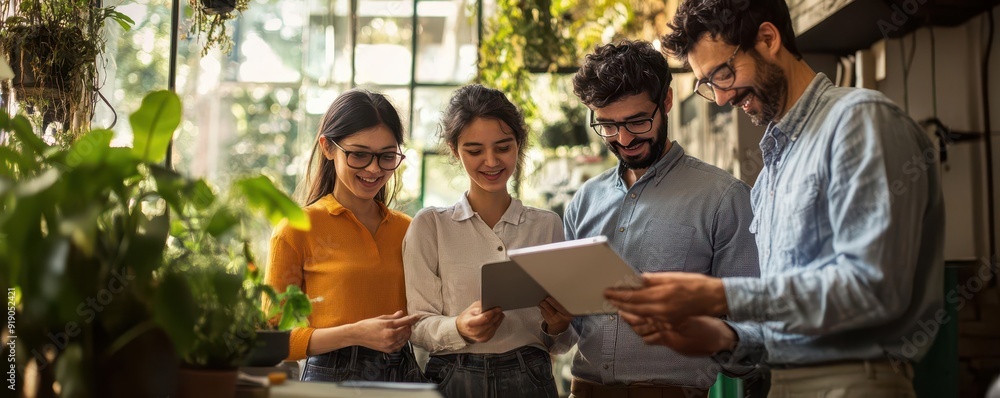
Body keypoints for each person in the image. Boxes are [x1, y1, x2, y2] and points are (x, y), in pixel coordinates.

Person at [604, 1, 945, 397]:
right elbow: (787, 316)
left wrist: (719, 294)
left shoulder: (858, 123)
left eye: (723, 73)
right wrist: (721, 336)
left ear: (768, 38)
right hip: (782, 382)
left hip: (852, 381)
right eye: (707, 84)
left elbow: (874, 290)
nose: (720, 98)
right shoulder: (767, 179)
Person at [564, 39, 759, 398]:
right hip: (584, 390)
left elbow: (749, 333)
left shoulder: (724, 198)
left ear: (666, 102)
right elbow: (571, 329)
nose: (623, 139)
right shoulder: (584, 201)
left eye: (637, 121)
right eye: (607, 125)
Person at [403, 84, 574, 398]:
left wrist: (559, 326)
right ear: (455, 150)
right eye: (474, 150)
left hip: (530, 378)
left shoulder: (546, 225)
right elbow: (416, 324)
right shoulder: (430, 226)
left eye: (503, 147)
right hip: (452, 377)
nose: (491, 161)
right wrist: (458, 327)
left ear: (519, 145)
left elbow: (561, 342)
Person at [265, 89, 423, 382]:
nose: (374, 169)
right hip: (331, 377)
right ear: (328, 147)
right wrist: (354, 333)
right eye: (359, 154)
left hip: (403, 374)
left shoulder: (409, 229)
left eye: (386, 156)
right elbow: (270, 339)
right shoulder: (297, 228)